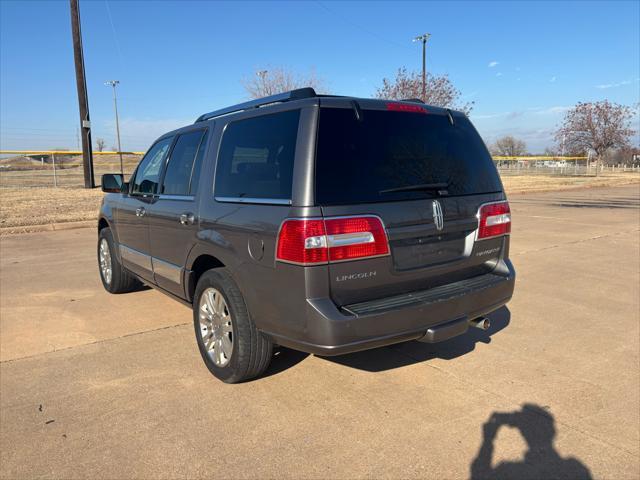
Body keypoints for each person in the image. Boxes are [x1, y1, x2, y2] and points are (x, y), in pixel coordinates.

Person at [470, 403, 592, 479]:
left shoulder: (508, 469)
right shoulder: (575, 467)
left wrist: (488, 439)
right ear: (552, 431)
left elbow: (478, 473)